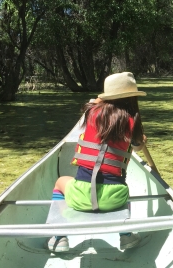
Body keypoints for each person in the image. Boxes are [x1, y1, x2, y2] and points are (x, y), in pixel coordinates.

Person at [47, 72, 147, 252]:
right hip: (114, 199)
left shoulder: (91, 113)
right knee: (124, 188)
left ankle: (59, 236)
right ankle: (126, 236)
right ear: (133, 98)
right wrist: (141, 139)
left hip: (81, 196)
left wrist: (100, 101)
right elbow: (138, 148)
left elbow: (93, 102)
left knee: (60, 182)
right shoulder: (133, 122)